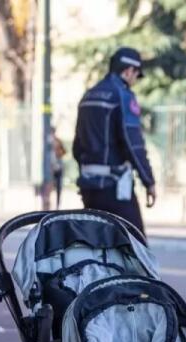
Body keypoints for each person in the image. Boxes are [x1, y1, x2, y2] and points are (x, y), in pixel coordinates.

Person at [72, 47, 156, 235]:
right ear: (128, 71)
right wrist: (148, 181)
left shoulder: (88, 96)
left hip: (89, 187)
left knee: (96, 246)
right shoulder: (123, 96)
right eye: (136, 75)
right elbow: (133, 145)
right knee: (135, 246)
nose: (135, 81)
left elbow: (77, 146)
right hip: (114, 187)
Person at [52, 129, 66, 210]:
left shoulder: (58, 141)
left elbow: (64, 152)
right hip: (52, 168)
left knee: (58, 188)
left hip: (58, 167)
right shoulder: (48, 141)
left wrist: (58, 152)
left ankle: (57, 205)